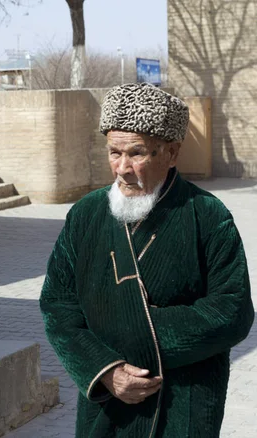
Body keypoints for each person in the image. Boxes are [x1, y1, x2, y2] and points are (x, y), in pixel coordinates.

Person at [39, 83, 254, 437]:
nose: (122, 169)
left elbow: (232, 312)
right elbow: (58, 307)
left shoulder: (207, 215)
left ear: (171, 153)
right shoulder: (86, 214)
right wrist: (106, 369)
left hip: (184, 402)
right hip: (108, 402)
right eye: (113, 152)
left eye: (136, 154)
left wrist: (131, 336)